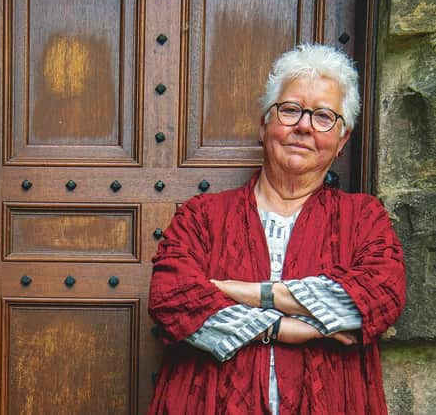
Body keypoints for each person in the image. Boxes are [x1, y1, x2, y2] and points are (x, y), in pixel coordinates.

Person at [147, 44, 406, 415]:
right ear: (264, 123)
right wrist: (287, 329)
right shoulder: (201, 216)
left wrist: (251, 293)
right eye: (290, 110)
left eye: (323, 117)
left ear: (342, 141)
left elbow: (378, 298)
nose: (303, 125)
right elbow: (172, 300)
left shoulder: (363, 218)